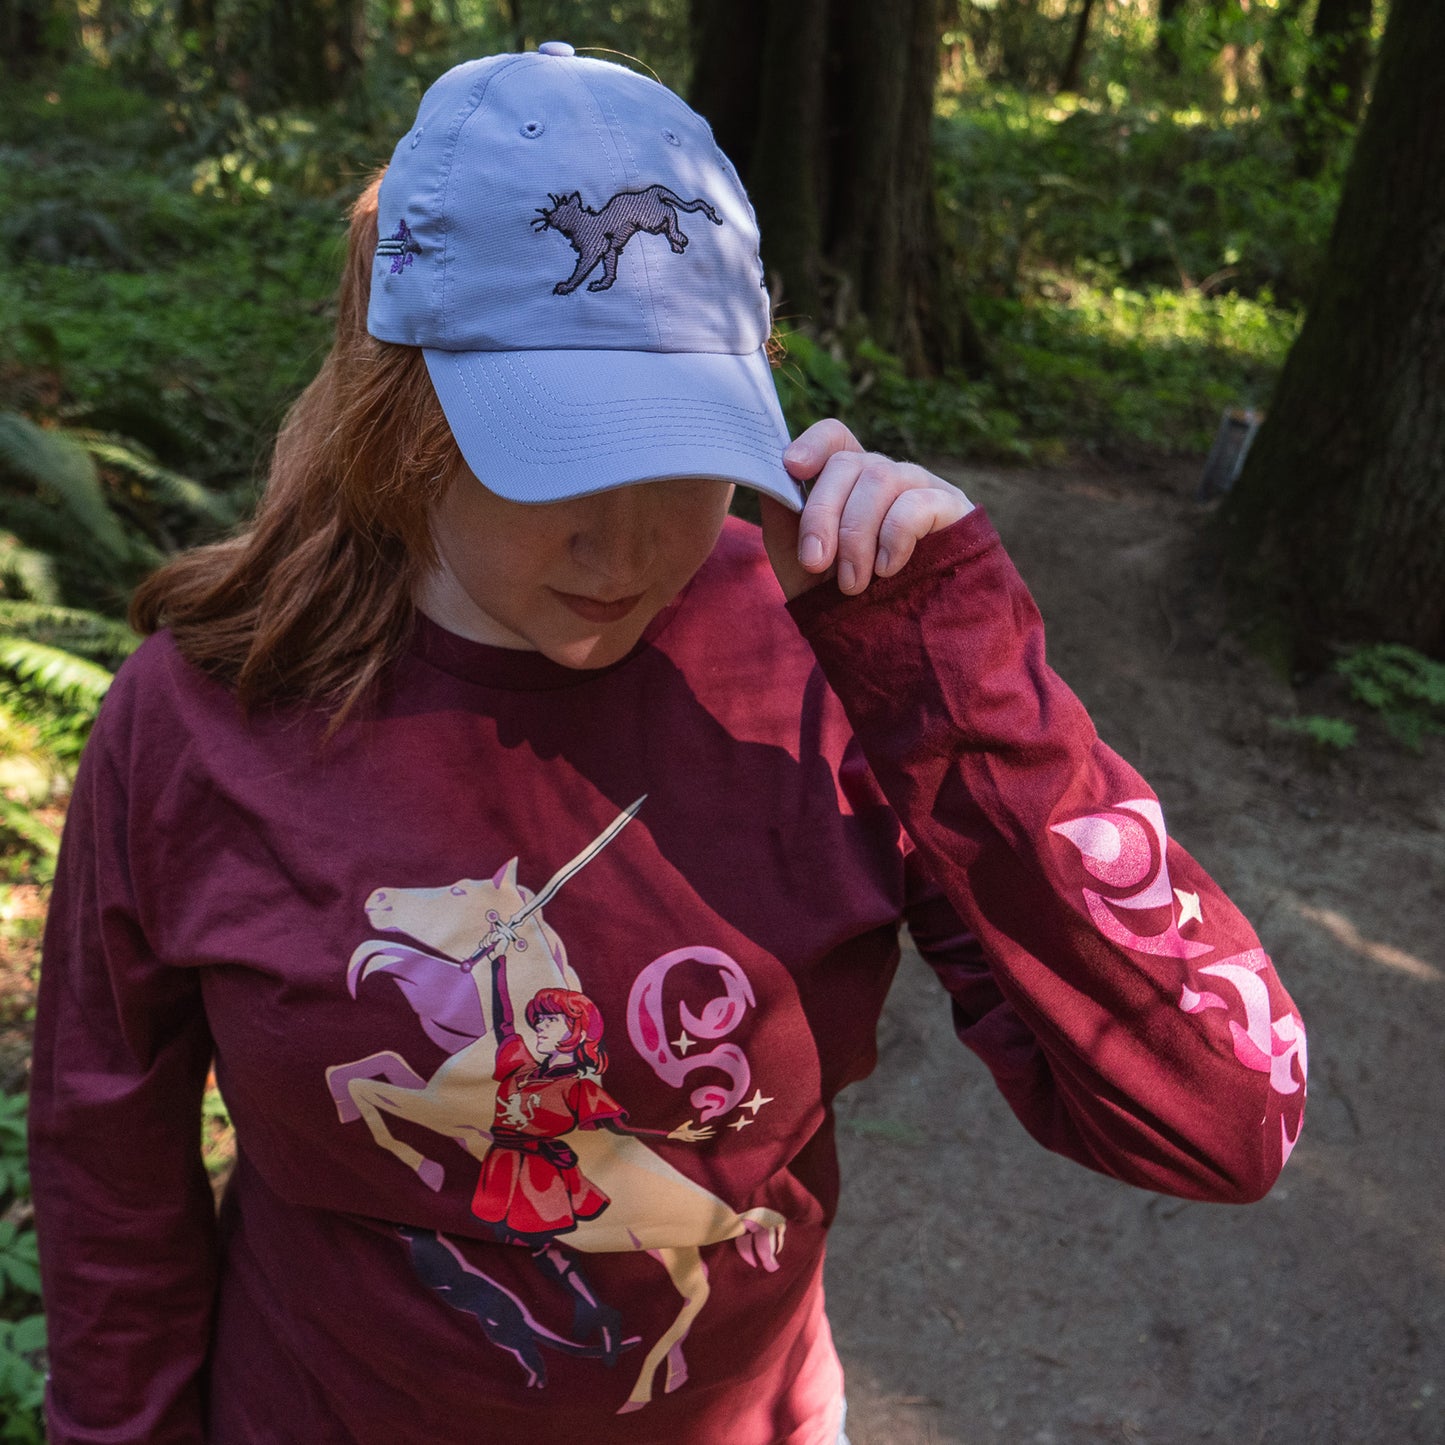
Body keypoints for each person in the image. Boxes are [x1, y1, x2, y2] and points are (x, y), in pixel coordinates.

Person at [28, 41, 1307, 1445]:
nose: (629, 541)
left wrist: (959, 684)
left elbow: (1220, 1119)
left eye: (687, 448)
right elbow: (111, 1172)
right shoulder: (201, 712)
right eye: (558, 456)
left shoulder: (836, 670)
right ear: (403, 404)